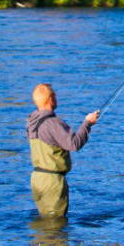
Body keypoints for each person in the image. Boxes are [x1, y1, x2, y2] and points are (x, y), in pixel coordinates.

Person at [26, 83, 99, 217]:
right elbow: (75, 144)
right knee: (55, 225)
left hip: (37, 179)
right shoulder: (53, 123)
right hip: (52, 182)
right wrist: (87, 124)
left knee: (44, 222)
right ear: (51, 99)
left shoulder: (31, 122)